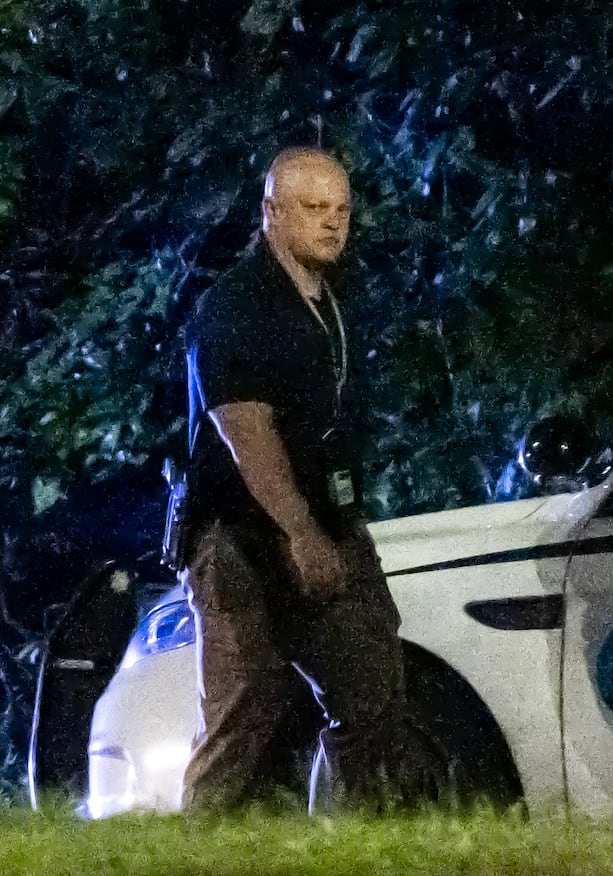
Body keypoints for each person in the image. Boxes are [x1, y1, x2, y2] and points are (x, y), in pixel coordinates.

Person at [177, 146, 409, 812]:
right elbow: (243, 429)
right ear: (271, 213)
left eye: (340, 209)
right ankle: (194, 863)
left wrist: (333, 526)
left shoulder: (336, 297)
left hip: (328, 522)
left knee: (371, 682)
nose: (331, 223)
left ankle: (353, 850)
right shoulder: (237, 307)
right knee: (245, 701)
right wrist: (300, 530)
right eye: (312, 209)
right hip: (244, 539)